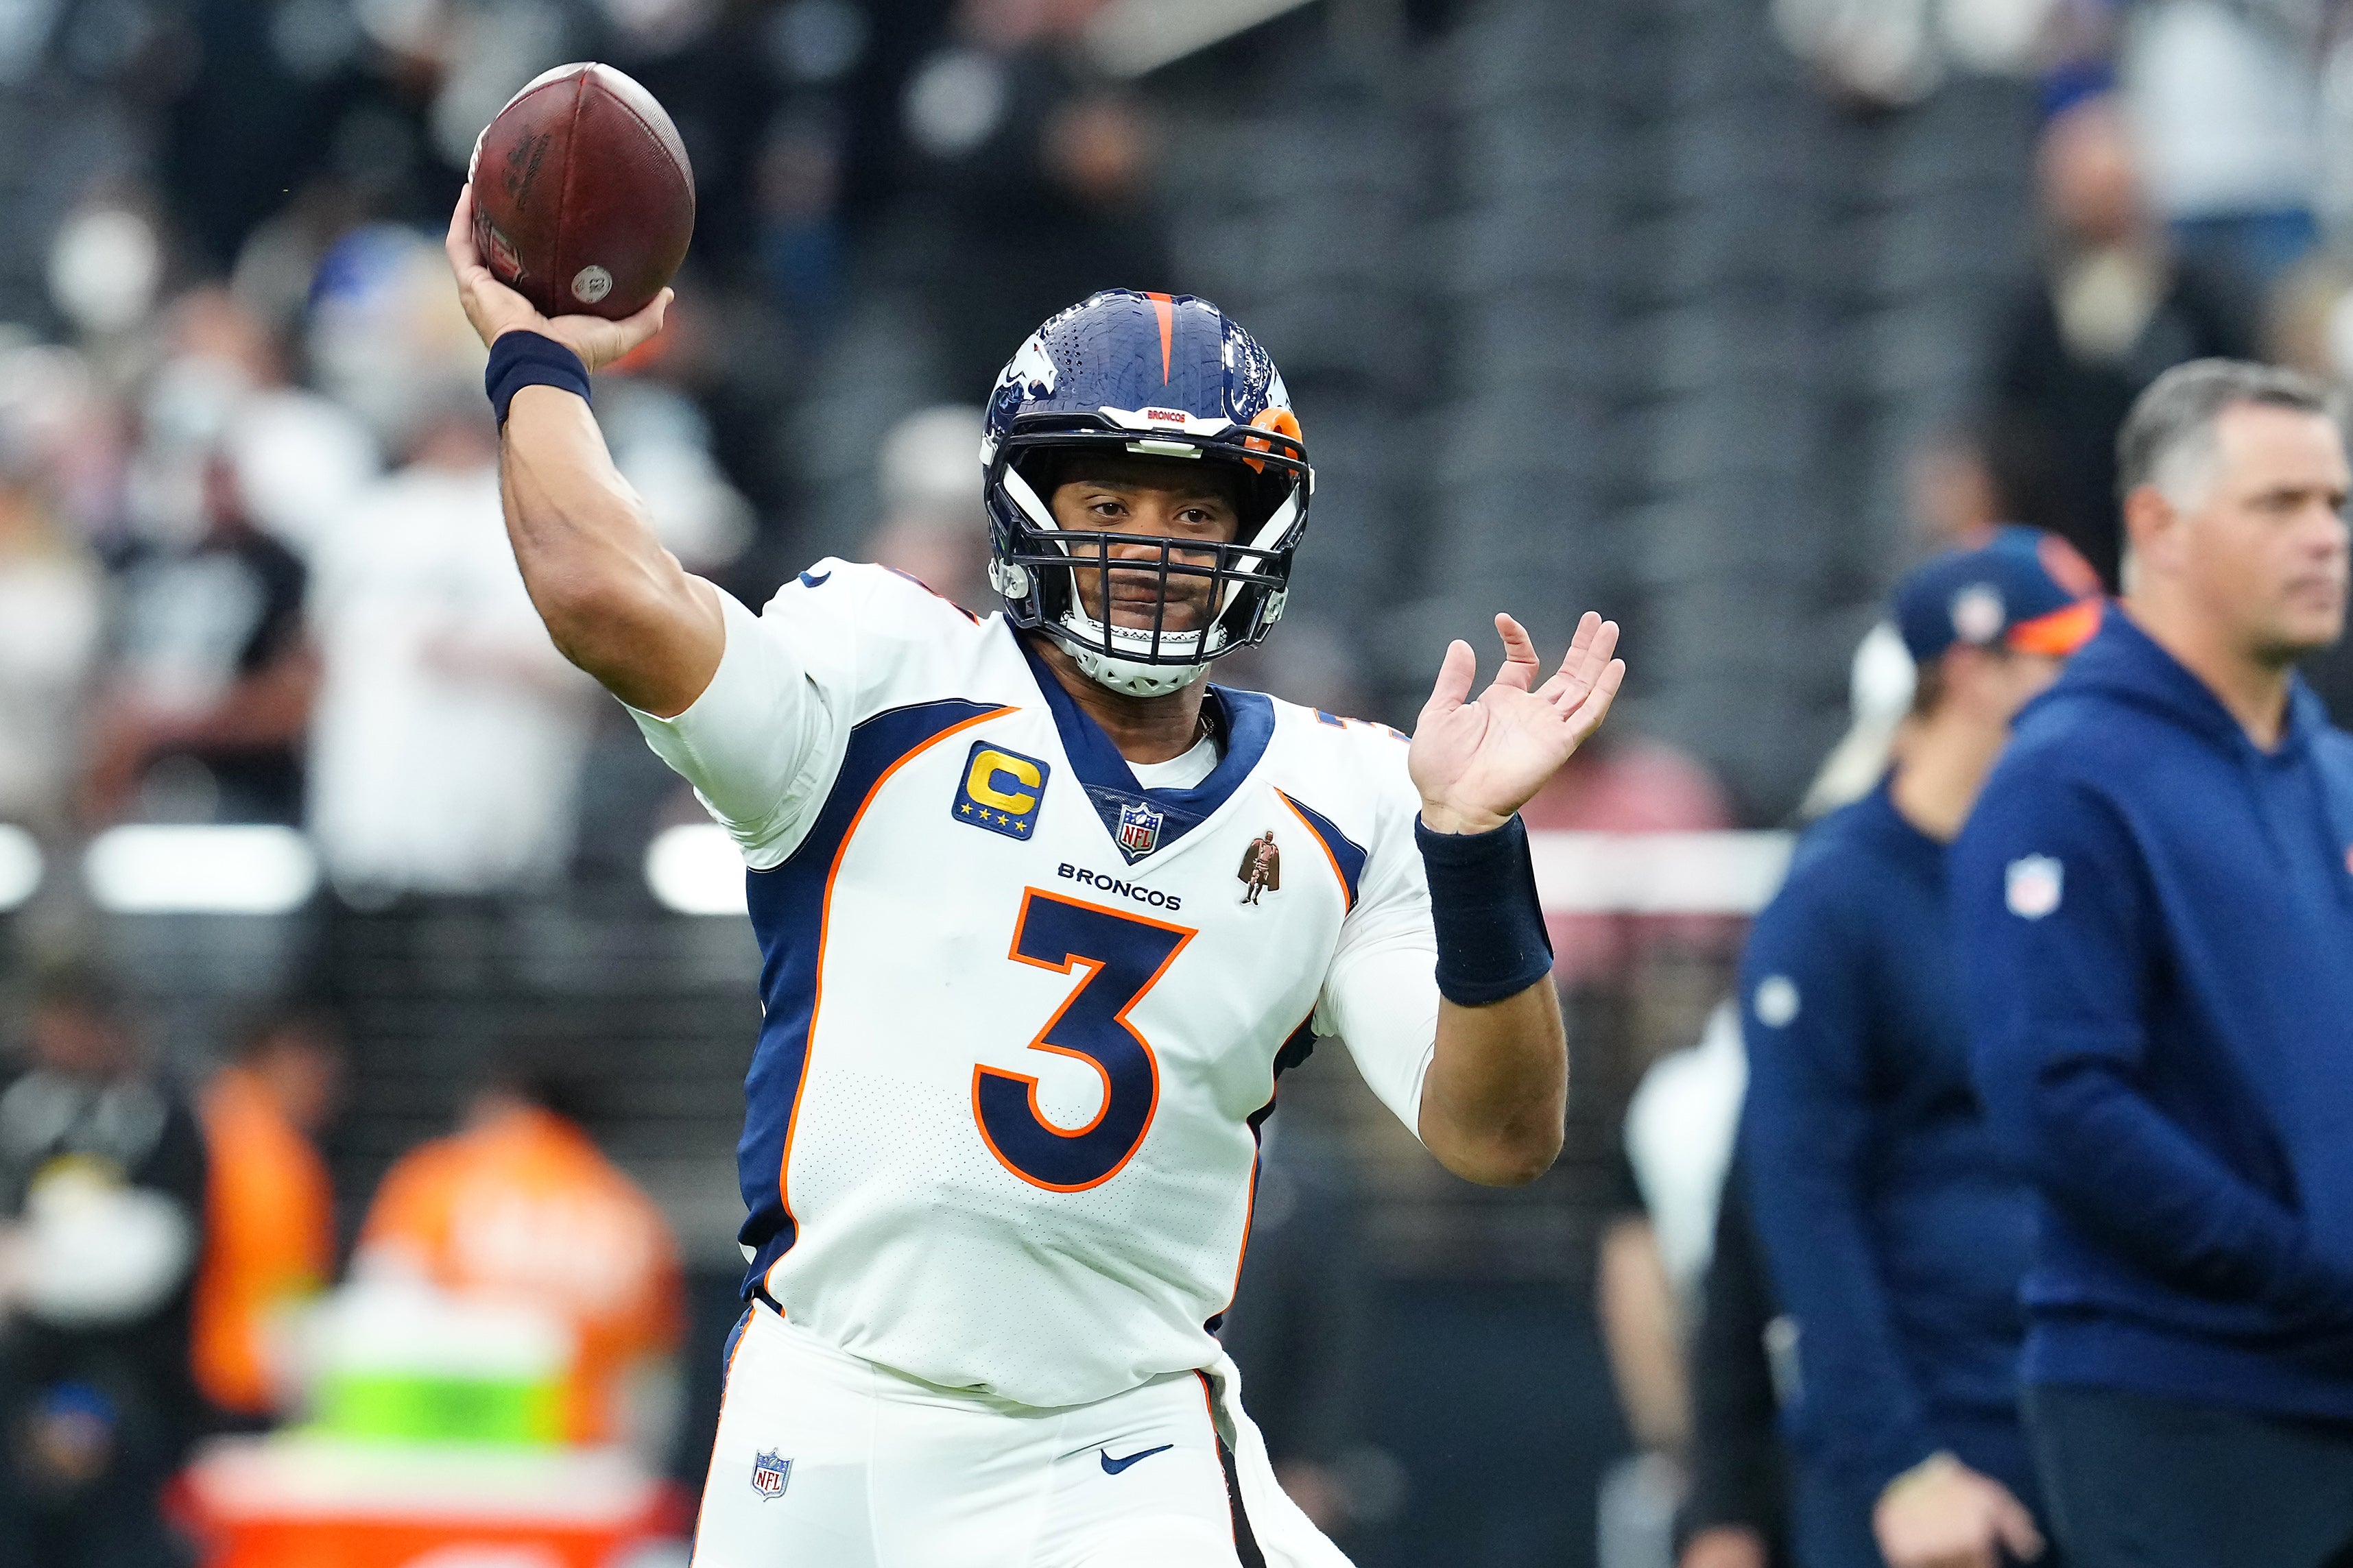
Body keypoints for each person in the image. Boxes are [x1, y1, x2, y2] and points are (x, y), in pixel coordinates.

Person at [447, 173, 1622, 1565]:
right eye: (1110, 498)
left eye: (1196, 514)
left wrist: (1477, 850)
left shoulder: (1348, 795)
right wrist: (535, 362)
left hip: (1111, 1446)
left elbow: (1497, 1136)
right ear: (1019, 504)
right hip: (829, 1408)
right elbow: (602, 596)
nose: (1152, 549)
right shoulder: (887, 676)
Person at [1957, 358, 2353, 1567]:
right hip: (2177, 1400)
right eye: (2279, 506)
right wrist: (2300, 1272)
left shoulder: (2328, 770)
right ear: (2155, 527)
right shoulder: (2065, 775)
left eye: (2336, 505)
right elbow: (2059, 1101)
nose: (2324, 538)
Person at [1741, 529, 2105, 1568]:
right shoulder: (1836, 895)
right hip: (1929, 1449)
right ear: (1972, 670)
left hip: (2077, 1417)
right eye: (2059, 658)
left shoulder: (2068, 873)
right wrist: (1901, 1462)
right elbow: (1794, 1194)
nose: (2093, 687)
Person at [352, 1059, 683, 1454]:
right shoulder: (635, 1214)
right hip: (581, 1456)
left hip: (447, 1446)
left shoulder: (438, 1180)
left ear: (506, 1103)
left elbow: (375, 1320)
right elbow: (652, 1380)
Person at [0, 961, 208, 1568]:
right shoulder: (22, 1107)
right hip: (20, 1376)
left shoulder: (161, 1118)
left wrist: (32, 1265)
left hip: (126, 1382)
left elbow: (150, 1256)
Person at [189, 1009, 341, 1426]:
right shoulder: (265, 1154)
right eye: (317, 1070)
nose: (328, 1089)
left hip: (211, 1368)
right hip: (238, 1377)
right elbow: (285, 1285)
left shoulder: (209, 1119)